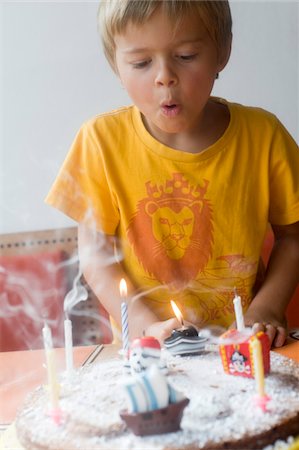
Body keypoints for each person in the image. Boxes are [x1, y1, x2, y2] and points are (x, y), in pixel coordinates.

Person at [46, 0, 299, 348]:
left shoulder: (265, 136)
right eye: (141, 62)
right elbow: (96, 257)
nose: (165, 76)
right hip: (147, 357)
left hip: (244, 347)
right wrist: (144, 324)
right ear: (116, 65)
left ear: (222, 51)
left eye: (186, 55)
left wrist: (267, 307)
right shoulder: (100, 142)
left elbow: (292, 237)